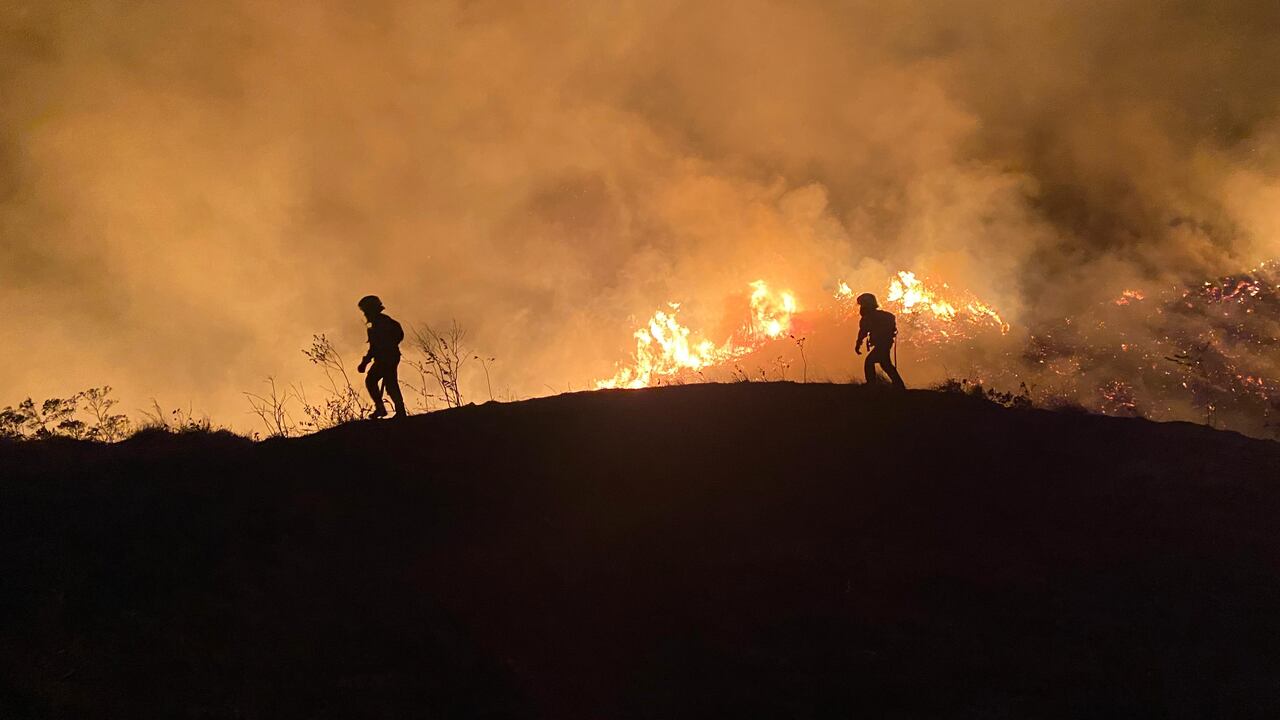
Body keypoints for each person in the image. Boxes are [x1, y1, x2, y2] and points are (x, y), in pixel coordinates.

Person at [356, 295, 408, 419]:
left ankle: (389, 410)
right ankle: (389, 409)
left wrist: (365, 362)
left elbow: (375, 346)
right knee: (387, 382)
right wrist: (366, 361)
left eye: (366, 311)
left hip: (387, 358)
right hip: (388, 357)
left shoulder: (380, 324)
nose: (365, 314)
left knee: (380, 382)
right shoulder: (381, 323)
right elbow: (375, 346)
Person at [854, 292, 906, 389]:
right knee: (886, 364)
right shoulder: (884, 316)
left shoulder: (868, 318)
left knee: (869, 362)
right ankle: (899, 385)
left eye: (862, 304)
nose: (861, 307)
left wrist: (858, 344)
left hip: (881, 344)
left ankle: (871, 384)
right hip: (886, 343)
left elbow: (863, 332)